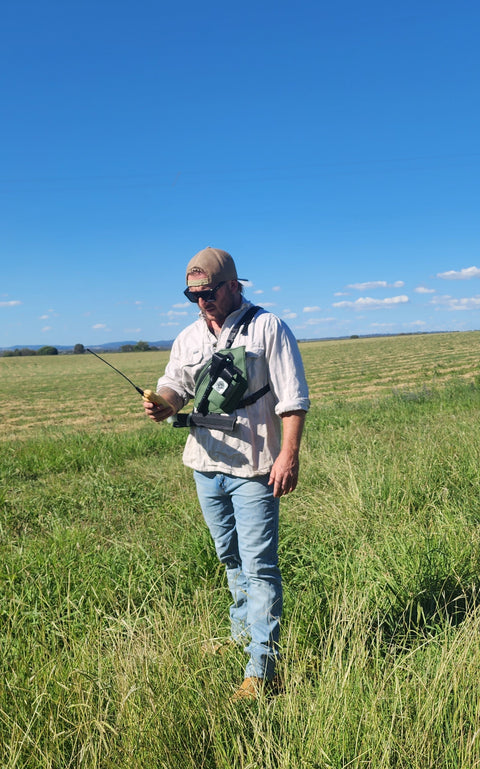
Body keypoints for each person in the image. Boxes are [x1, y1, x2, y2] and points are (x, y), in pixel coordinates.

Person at [143, 247, 310, 700]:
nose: (202, 301)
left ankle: (262, 668)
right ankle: (242, 637)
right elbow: (174, 385)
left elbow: (293, 399)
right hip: (204, 466)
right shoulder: (188, 337)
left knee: (259, 567)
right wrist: (162, 404)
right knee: (229, 558)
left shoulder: (267, 327)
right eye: (192, 294)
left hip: (255, 468)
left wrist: (288, 455)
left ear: (234, 285)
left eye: (209, 291)